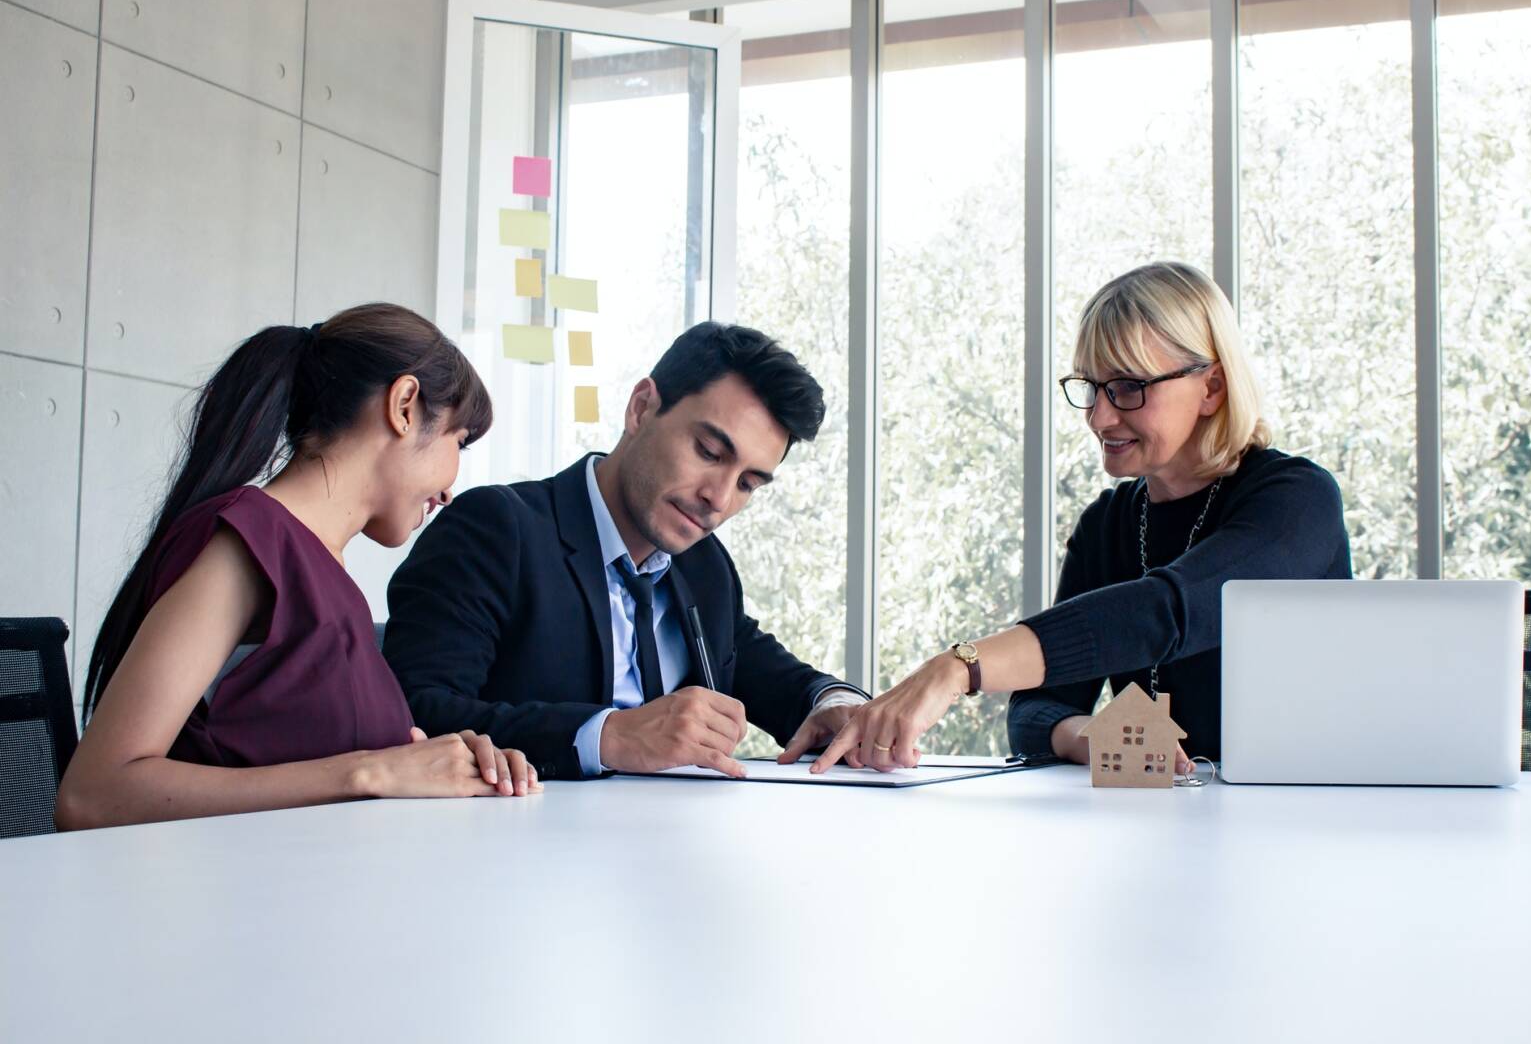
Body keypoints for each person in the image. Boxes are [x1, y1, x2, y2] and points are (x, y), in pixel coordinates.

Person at [809, 261, 1352, 774]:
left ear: (1211, 388)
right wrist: (1091, 736)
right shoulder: (1108, 525)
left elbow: (1166, 610)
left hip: (1304, 815)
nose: (1099, 416)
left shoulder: (1298, 500)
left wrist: (961, 667)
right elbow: (1035, 711)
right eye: (1092, 387)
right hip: (1167, 817)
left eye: (1129, 387)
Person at [56, 304, 539, 831]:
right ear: (404, 406)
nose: (449, 490)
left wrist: (442, 763)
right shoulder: (249, 545)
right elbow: (93, 795)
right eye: (458, 441)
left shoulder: (319, 569)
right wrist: (370, 771)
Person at [384, 322, 868, 780]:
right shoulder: (496, 528)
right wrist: (608, 736)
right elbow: (414, 711)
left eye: (747, 483)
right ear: (641, 408)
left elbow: (771, 674)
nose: (719, 499)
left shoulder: (705, 567)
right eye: (708, 452)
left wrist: (832, 702)